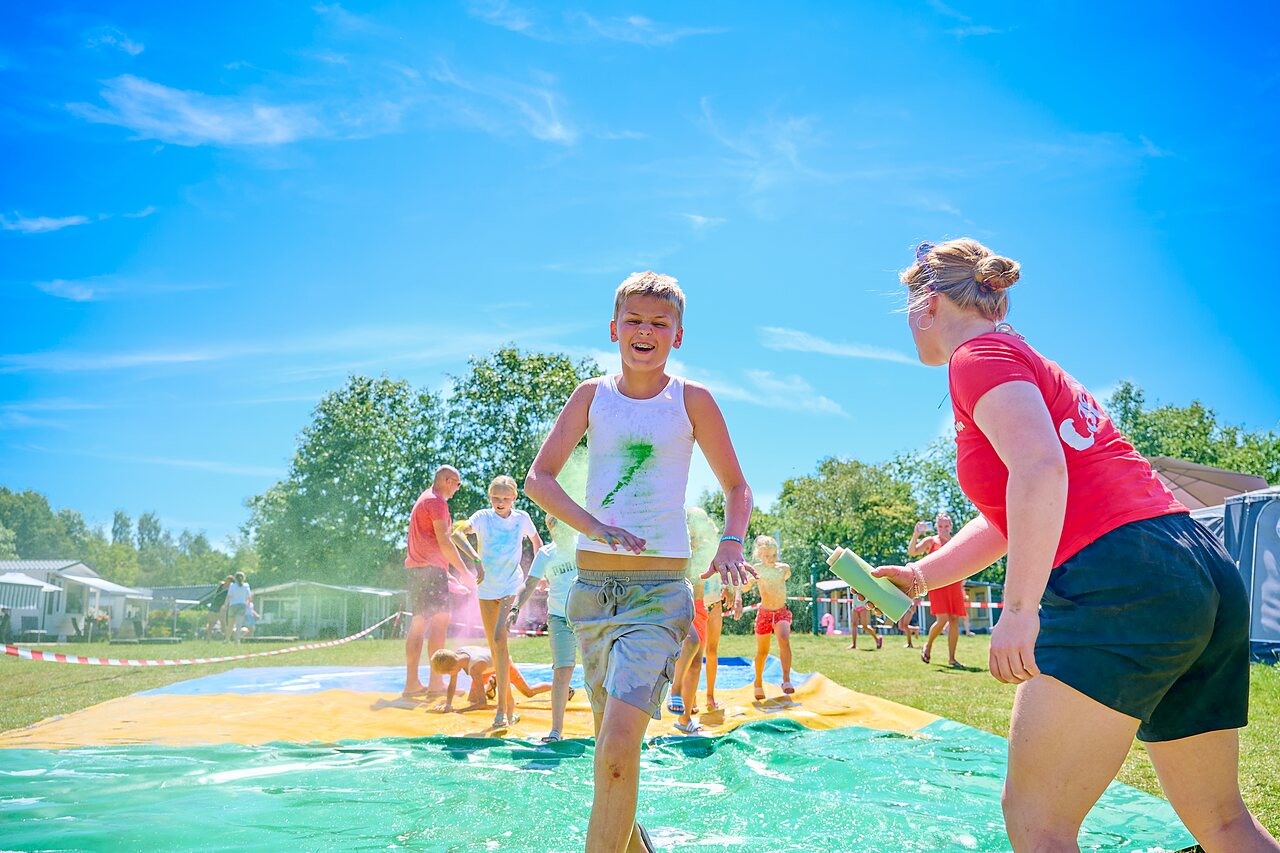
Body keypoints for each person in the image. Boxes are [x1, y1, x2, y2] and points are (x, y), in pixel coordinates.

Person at [871, 238, 1275, 852]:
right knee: (1222, 824)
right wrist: (923, 574)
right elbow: (1015, 515)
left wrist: (1018, 610)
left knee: (1038, 822)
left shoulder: (976, 355)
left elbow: (1039, 471)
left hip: (1122, 576)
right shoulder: (1018, 355)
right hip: (1198, 565)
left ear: (924, 301)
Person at [525, 270, 754, 853]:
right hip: (592, 593)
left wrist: (731, 542)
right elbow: (539, 479)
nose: (645, 331)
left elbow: (737, 488)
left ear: (678, 335)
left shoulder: (692, 400)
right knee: (610, 755)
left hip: (659, 594)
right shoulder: (591, 396)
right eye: (634, 320)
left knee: (619, 752)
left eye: (660, 322)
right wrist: (593, 526)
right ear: (613, 328)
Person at [457, 474, 543, 729]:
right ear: (489, 497)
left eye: (506, 498)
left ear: (514, 497)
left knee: (498, 639)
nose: (500, 502)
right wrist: (475, 560)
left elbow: (537, 542)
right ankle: (509, 702)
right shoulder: (483, 517)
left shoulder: (521, 519)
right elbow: (456, 534)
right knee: (496, 650)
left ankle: (502, 709)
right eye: (496, 497)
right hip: (486, 589)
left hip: (510, 586)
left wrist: (538, 575)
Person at [403, 465, 475, 697]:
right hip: (430, 572)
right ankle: (436, 683)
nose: (458, 488)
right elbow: (444, 541)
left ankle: (412, 683)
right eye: (457, 483)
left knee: (419, 625)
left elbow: (429, 545)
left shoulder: (423, 499)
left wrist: (448, 575)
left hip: (419, 570)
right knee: (440, 622)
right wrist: (465, 572)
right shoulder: (436, 502)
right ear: (447, 480)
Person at [511, 514, 579, 742]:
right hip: (560, 618)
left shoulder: (585, 545)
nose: (562, 532)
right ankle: (556, 731)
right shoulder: (547, 554)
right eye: (555, 528)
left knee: (598, 668)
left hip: (589, 617)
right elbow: (529, 583)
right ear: (551, 530)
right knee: (562, 671)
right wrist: (515, 607)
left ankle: (606, 728)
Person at [908, 513, 965, 666]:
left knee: (954, 620)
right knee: (943, 619)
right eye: (940, 526)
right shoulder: (931, 541)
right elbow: (912, 552)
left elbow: (963, 565)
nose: (943, 529)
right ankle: (928, 645)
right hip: (938, 584)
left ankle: (952, 658)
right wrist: (916, 534)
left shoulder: (956, 542)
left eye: (946, 526)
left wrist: (963, 586)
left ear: (951, 526)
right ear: (936, 526)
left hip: (954, 584)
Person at [744, 535, 795, 700]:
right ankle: (758, 682)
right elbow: (745, 588)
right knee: (762, 652)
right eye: (767, 556)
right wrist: (746, 582)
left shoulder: (783, 568)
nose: (771, 559)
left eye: (774, 555)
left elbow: (784, 579)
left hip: (781, 612)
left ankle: (786, 680)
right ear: (760, 555)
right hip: (764, 614)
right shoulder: (757, 569)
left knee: (783, 638)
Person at [429, 646, 552, 713]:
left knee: (529, 692)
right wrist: (448, 704)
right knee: (472, 700)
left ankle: (558, 686)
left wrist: (458, 710)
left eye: (447, 673)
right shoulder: (457, 656)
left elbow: (483, 704)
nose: (450, 676)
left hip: (503, 664)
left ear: (452, 669)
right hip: (486, 667)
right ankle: (491, 683)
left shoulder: (475, 669)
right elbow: (452, 684)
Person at [701, 546, 743, 713]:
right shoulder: (690, 552)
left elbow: (731, 573)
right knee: (693, 654)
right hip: (697, 605)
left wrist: (731, 590)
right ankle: (686, 696)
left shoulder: (716, 551)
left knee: (711, 651)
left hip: (714, 604)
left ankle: (710, 695)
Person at [225, 572, 252, 645]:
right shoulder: (246, 586)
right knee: (238, 625)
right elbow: (249, 597)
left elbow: (229, 596)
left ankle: (227, 639)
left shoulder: (232, 585)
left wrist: (225, 605)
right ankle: (237, 640)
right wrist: (247, 605)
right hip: (242, 605)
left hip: (233, 605)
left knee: (230, 624)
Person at [204, 575, 232, 640]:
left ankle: (227, 638)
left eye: (228, 581)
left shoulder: (230, 590)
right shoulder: (220, 586)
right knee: (210, 623)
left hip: (221, 607)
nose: (226, 582)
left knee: (223, 625)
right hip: (214, 606)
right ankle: (208, 638)